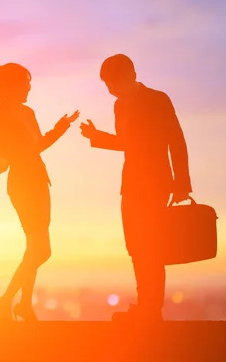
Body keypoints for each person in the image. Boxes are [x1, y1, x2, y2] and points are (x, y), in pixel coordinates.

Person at [79, 54, 192, 322]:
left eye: (112, 82)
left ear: (130, 75)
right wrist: (98, 138)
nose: (109, 89)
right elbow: (128, 143)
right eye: (106, 84)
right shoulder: (119, 106)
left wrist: (182, 184)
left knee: (152, 247)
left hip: (156, 183)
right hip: (130, 184)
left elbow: (176, 141)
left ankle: (152, 310)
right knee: (135, 247)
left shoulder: (158, 99)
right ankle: (145, 306)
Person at [0, 62, 79, 321]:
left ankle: (24, 304)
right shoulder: (0, 120)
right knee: (42, 251)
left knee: (33, 249)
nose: (29, 88)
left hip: (39, 182)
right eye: (25, 84)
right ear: (11, 87)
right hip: (22, 185)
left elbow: (38, 145)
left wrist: (62, 126)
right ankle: (6, 301)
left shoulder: (28, 113)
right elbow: (0, 163)